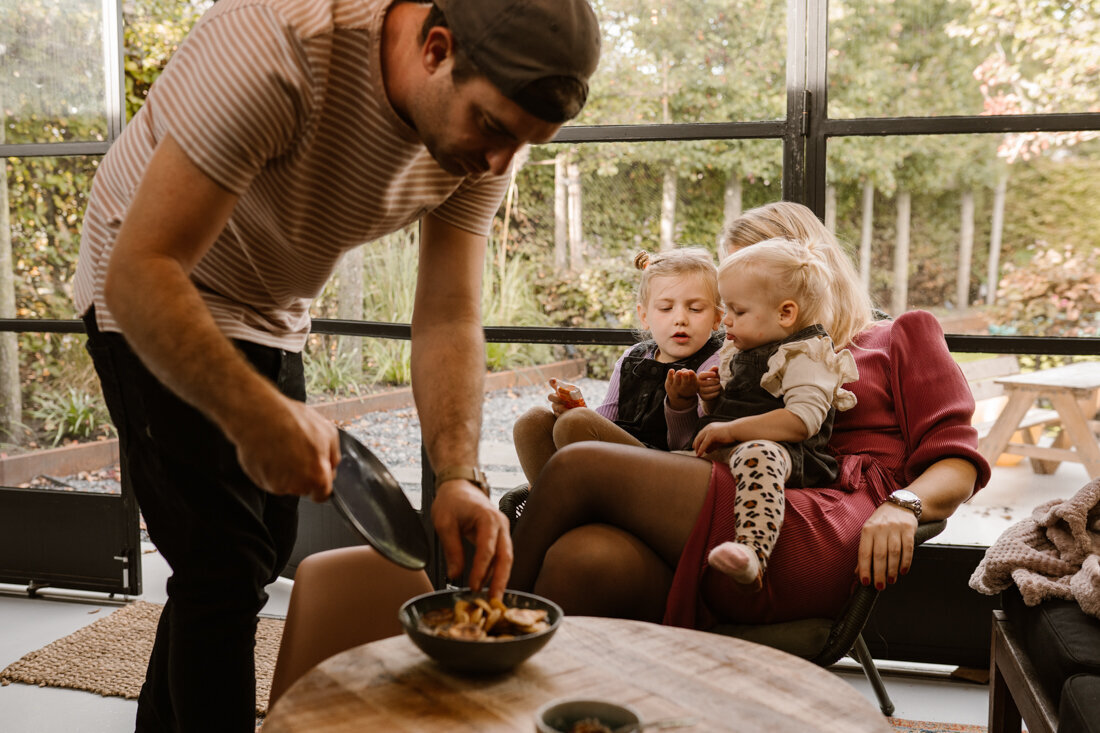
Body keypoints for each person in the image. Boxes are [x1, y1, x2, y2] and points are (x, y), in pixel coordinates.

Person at [71, 0, 601, 729]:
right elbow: (142, 268)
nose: (499, 163)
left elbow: (448, 312)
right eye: (494, 128)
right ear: (436, 48)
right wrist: (254, 413)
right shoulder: (278, 50)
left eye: (526, 144)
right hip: (149, 280)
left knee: (249, 557)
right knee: (224, 567)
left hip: (271, 307)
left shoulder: (487, 132)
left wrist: (456, 476)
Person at [508, 201, 991, 630]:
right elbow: (686, 449)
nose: (727, 315)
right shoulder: (736, 353)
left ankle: (481, 614)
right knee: (579, 556)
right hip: (722, 493)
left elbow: (958, 464)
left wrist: (904, 504)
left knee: (581, 464)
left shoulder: (898, 337)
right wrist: (688, 404)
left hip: (818, 519)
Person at [691, 237, 859, 588]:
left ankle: (752, 552)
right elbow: (737, 406)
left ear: (786, 313)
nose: (726, 321)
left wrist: (733, 429)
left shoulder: (806, 354)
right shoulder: (741, 350)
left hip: (787, 455)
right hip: (729, 451)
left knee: (759, 454)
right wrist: (711, 398)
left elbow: (802, 421)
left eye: (737, 311)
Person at [512, 247, 724, 487]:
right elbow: (606, 423)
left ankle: (564, 506)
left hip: (666, 478)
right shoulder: (632, 358)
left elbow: (688, 450)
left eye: (695, 309)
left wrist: (680, 406)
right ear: (644, 316)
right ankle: (554, 503)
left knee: (575, 423)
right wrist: (574, 408)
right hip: (621, 462)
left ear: (717, 318)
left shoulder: (714, 365)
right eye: (666, 308)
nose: (680, 318)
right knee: (532, 422)